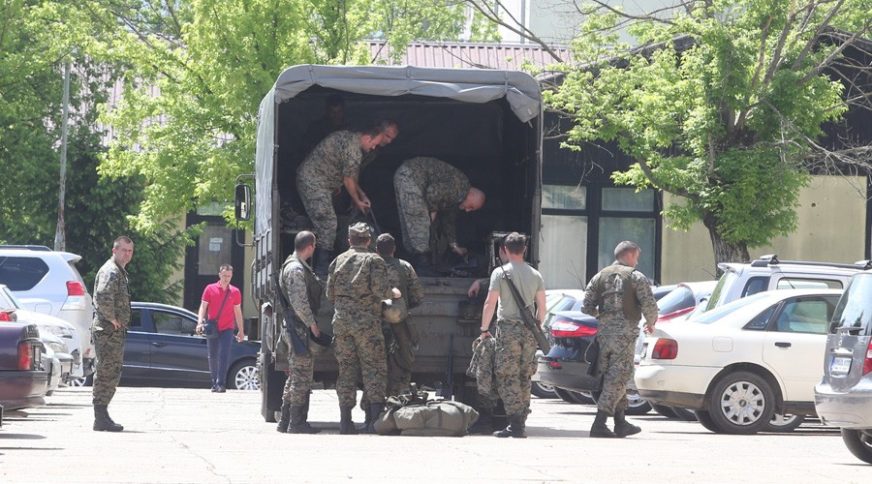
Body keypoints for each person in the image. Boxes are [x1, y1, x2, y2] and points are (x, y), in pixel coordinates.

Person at [297, 120, 399, 275]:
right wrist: (357, 201)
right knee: (327, 222)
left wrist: (361, 194)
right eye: (373, 144)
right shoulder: (354, 150)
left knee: (330, 221)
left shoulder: (352, 139)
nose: (373, 148)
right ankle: (322, 267)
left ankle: (326, 259)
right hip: (313, 182)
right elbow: (348, 179)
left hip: (323, 183)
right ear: (366, 138)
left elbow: (351, 176)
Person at [327, 223, 400, 434]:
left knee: (346, 370)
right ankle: (374, 422)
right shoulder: (373, 260)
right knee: (374, 369)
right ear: (368, 241)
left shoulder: (337, 260)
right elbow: (381, 290)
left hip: (341, 324)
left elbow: (329, 294)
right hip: (367, 325)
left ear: (349, 240)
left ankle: (345, 422)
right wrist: (394, 293)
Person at [582, 241, 658, 438]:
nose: (637, 262)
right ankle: (599, 423)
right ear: (631, 256)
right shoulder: (636, 277)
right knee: (619, 377)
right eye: (637, 257)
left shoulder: (600, 276)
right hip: (624, 336)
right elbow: (649, 304)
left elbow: (586, 305)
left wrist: (602, 316)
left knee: (613, 377)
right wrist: (651, 322)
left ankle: (621, 422)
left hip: (604, 336)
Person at [479, 233, 545, 438]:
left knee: (507, 376)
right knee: (525, 375)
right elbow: (542, 307)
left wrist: (484, 329)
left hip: (508, 330)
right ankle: (520, 420)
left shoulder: (500, 273)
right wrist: (536, 326)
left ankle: (515, 424)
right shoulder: (535, 274)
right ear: (524, 249)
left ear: (505, 250)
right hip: (529, 331)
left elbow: (490, 303)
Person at [393, 157, 486, 276]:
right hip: (411, 177)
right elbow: (432, 192)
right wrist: (433, 210)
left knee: (413, 223)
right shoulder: (460, 187)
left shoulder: (457, 196)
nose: (467, 210)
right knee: (419, 222)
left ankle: (417, 263)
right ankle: (422, 267)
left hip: (405, 176)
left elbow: (449, 220)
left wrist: (454, 245)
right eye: (471, 206)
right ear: (471, 195)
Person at [276, 231, 322, 434]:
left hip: (294, 326)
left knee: (295, 376)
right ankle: (296, 423)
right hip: (298, 328)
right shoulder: (295, 269)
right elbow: (300, 302)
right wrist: (312, 324)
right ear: (310, 246)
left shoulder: (292, 264)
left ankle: (285, 421)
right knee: (302, 377)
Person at [91, 235, 134, 432]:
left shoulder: (119, 271)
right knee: (106, 371)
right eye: (123, 250)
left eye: (130, 251)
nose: (127, 254)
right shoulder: (111, 271)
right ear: (114, 250)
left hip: (113, 332)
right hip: (108, 331)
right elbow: (102, 296)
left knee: (112, 371)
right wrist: (112, 318)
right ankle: (100, 417)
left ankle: (102, 415)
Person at [375, 233, 423, 397]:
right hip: (400, 324)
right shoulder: (405, 267)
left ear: (376, 250)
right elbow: (418, 296)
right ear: (394, 249)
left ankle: (372, 411)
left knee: (375, 365)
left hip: (375, 324)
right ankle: (397, 403)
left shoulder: (371, 267)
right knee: (402, 363)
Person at [196, 265, 245, 393]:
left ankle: (220, 383)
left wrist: (241, 330)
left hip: (228, 328)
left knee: (224, 354)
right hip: (212, 326)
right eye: (224, 276)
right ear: (219, 275)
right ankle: (214, 382)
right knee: (212, 355)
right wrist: (199, 322)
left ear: (231, 276)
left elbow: (238, 312)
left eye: (228, 276)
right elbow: (203, 307)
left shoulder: (235, 292)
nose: (226, 278)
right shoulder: (210, 289)